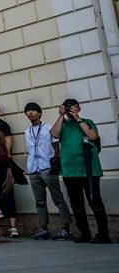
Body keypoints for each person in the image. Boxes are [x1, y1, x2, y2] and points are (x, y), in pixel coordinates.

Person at [51, 98, 109, 243]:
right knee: (76, 205)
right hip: (69, 171)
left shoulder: (87, 121)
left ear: (79, 108)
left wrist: (77, 118)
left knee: (95, 202)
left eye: (73, 107)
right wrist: (60, 115)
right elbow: (54, 134)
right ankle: (84, 233)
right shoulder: (63, 124)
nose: (70, 109)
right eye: (68, 107)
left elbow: (93, 136)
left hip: (89, 171)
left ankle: (103, 234)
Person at [22, 102, 72, 241]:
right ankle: (43, 228)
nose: (30, 113)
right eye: (28, 111)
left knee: (58, 199)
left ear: (39, 113)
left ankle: (65, 228)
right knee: (39, 201)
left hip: (47, 167)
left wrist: (54, 163)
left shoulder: (49, 128)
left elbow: (56, 147)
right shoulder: (27, 131)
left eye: (33, 110)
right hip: (33, 169)